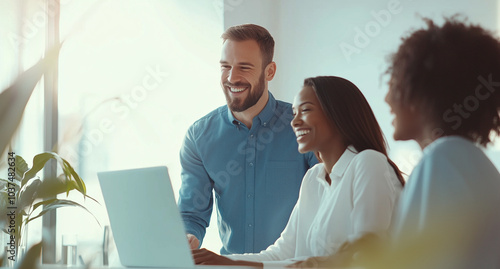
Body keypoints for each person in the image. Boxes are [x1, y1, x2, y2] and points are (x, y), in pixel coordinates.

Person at [191, 76, 405, 267]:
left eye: (306, 110)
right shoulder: (313, 178)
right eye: (294, 113)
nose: (294, 121)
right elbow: (282, 253)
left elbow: (366, 254)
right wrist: (223, 261)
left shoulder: (368, 163)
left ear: (337, 114)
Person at [177, 24, 317, 255]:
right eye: (225, 67)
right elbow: (191, 214)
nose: (232, 78)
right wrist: (187, 237)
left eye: (244, 67)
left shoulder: (304, 127)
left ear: (269, 71)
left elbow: (330, 202)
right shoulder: (199, 136)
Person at [382, 17, 500, 269]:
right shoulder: (468, 161)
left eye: (393, 84)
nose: (387, 99)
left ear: (419, 90)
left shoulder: (442, 159)